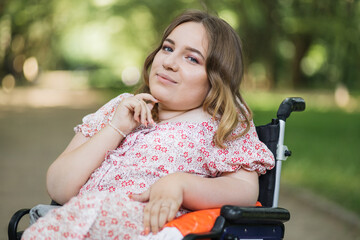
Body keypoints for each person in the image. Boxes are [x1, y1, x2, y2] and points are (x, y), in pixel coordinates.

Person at [22, 9, 274, 239]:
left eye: (192, 59)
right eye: (167, 48)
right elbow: (58, 188)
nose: (169, 62)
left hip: (147, 226)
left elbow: (244, 190)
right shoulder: (119, 107)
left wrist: (180, 184)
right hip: (82, 217)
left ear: (216, 79)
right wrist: (115, 128)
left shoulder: (221, 122)